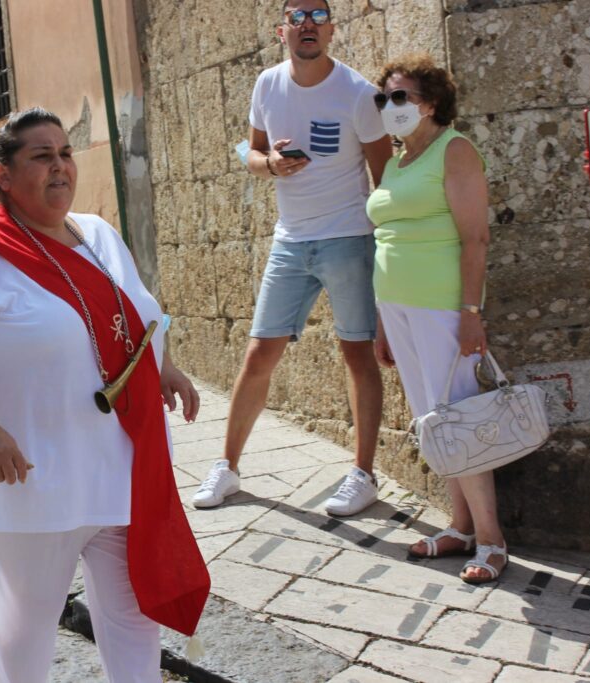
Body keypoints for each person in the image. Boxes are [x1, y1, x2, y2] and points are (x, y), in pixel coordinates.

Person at [0, 108, 209, 682]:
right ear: (3, 175)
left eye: (65, 154)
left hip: (123, 470)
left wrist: (164, 367)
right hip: (33, 480)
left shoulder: (97, 234)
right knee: (20, 635)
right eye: (41, 157)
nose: (59, 167)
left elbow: (139, 315)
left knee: (133, 618)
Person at [193, 0, 393, 516]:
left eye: (320, 15)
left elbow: (384, 178)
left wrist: (389, 251)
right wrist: (272, 165)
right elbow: (254, 155)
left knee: (357, 355)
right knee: (259, 354)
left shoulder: (357, 92)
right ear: (281, 30)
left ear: (331, 30)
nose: (309, 24)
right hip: (290, 241)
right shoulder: (267, 85)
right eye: (298, 15)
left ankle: (362, 475)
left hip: (349, 238)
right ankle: (227, 469)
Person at [366, 54, 506, 584]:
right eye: (384, 99)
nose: (389, 107)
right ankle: (461, 527)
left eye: (399, 97)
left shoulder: (456, 150)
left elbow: (476, 238)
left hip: (442, 307)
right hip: (398, 309)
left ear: (430, 102)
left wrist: (471, 312)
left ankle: (492, 541)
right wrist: (383, 322)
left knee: (460, 422)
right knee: (433, 421)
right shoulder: (397, 161)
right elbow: (386, 239)